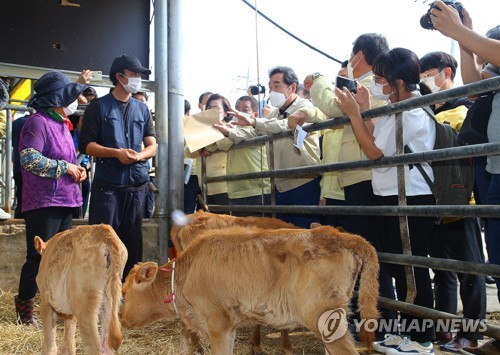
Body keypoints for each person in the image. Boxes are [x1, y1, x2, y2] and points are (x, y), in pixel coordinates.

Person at [336, 47, 436, 354]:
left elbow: (375, 154)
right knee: (395, 266)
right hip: (390, 194)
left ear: (399, 82)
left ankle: (422, 339)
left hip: (411, 196)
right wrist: (364, 112)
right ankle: (403, 333)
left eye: (382, 79)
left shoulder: (413, 112)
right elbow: (377, 142)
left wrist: (354, 115)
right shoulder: (395, 111)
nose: (378, 85)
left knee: (412, 268)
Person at [431, 2, 500, 353]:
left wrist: (459, 31)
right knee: (497, 258)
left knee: (478, 265)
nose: (485, 68)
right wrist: (463, 35)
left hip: (481, 179)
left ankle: (478, 332)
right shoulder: (485, 84)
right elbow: (474, 84)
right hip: (492, 170)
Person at [419, 51, 486, 352]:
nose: (424, 80)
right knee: (442, 271)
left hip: (462, 200)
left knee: (470, 270)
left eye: (428, 72)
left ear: (446, 73)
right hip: (434, 201)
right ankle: (443, 328)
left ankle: (471, 332)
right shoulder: (426, 110)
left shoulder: (465, 108)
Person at [15, 71, 88, 325]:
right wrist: (65, 167)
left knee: (60, 258)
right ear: (57, 98)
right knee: (39, 257)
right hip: (43, 202)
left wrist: (77, 170)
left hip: (65, 200)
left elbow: (63, 162)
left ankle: (54, 307)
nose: (74, 100)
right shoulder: (37, 122)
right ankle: (25, 306)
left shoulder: (61, 125)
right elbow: (29, 158)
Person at [79, 54, 156, 277]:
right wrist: (115, 153)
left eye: (139, 75)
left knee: (133, 242)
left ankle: (128, 293)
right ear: (119, 76)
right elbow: (87, 145)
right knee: (102, 242)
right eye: (133, 74)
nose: (138, 78)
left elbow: (152, 144)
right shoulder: (98, 106)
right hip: (108, 186)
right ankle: (100, 294)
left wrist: (140, 156)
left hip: (137, 185)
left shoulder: (142, 109)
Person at [232, 66, 321, 228]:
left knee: (305, 233)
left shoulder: (305, 107)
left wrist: (255, 121)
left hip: (303, 181)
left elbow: (283, 125)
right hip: (280, 184)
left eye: (277, 86)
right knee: (285, 235)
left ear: (292, 87)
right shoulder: (273, 113)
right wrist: (228, 133)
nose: (272, 91)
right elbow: (256, 133)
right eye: (270, 87)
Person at [213, 95, 272, 216]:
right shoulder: (230, 130)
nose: (238, 113)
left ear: (254, 115)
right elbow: (221, 143)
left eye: (244, 110)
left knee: (260, 231)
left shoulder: (258, 129)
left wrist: (228, 132)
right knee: (240, 232)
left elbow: (234, 137)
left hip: (257, 189)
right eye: (236, 109)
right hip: (236, 190)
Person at [132, 91, 156, 219]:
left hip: (149, 171)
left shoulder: (151, 123)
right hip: (132, 170)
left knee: (148, 206)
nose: (140, 104)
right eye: (136, 100)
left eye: (142, 101)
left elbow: (152, 147)